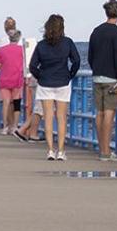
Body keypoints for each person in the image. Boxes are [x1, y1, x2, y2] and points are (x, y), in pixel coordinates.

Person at [28, 14, 82, 162]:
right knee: (62, 118)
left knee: (48, 118)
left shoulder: (41, 45)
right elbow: (76, 61)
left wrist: (40, 76)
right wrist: (70, 75)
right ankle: (61, 151)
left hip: (45, 83)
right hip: (63, 82)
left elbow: (32, 65)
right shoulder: (67, 43)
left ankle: (50, 150)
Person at [87, 0, 117, 161]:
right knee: (109, 113)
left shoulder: (96, 31)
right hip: (111, 78)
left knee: (100, 113)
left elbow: (90, 55)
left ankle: (102, 149)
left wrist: (95, 69)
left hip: (97, 76)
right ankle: (106, 151)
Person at [0, 19, 29, 138]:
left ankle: (5, 127)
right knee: (16, 103)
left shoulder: (1, 50)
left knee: (5, 103)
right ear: (18, 38)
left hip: (4, 79)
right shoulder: (22, 50)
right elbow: (26, 64)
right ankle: (14, 126)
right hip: (17, 79)